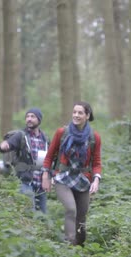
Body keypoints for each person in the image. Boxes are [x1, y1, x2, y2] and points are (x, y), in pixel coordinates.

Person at [41, 101, 102, 246]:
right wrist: (45, 176)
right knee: (71, 209)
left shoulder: (94, 137)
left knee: (81, 216)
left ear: (87, 116)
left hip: (83, 179)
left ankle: (79, 245)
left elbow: (97, 162)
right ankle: (69, 244)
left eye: (80, 113)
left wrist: (96, 179)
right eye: (74, 112)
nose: (76, 115)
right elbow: (49, 156)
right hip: (63, 177)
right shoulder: (62, 132)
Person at [0, 108, 49, 213]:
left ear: (39, 120)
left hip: (41, 183)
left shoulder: (45, 139)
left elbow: (51, 160)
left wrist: (49, 177)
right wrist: (3, 146)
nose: (29, 119)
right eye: (27, 117)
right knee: (30, 213)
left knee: (43, 215)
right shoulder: (21, 135)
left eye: (32, 117)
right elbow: (9, 144)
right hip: (25, 181)